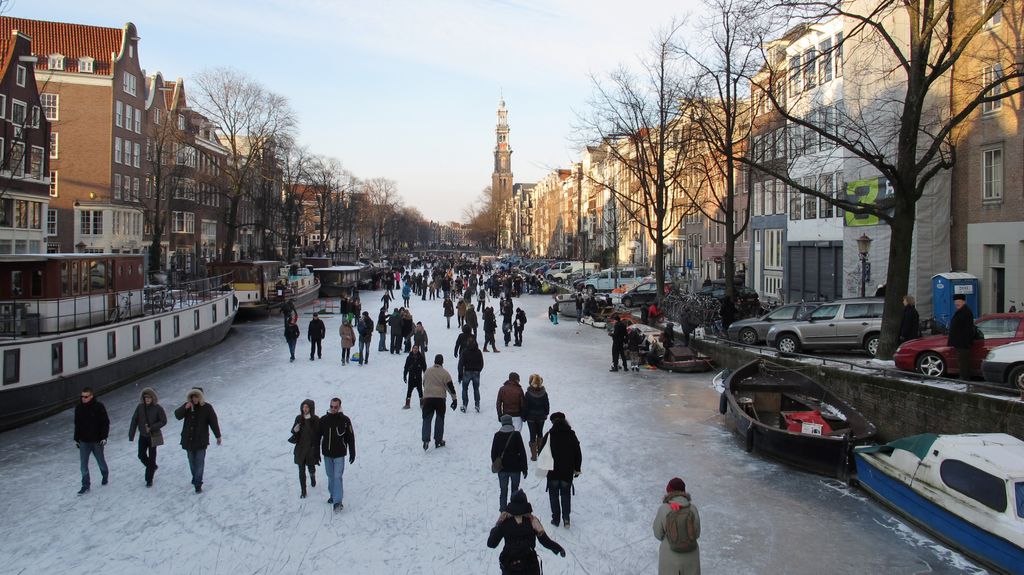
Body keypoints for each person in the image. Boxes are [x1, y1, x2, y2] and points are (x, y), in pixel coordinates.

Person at [487, 489, 566, 575]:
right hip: (530, 564)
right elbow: (545, 541)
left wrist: (498, 524)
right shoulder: (532, 520)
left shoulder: (505, 521)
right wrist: (558, 548)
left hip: (510, 565)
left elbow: (491, 543)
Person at [174, 388, 222, 493]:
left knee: (199, 463)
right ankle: (196, 478)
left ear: (201, 397)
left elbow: (213, 422)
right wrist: (185, 408)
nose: (194, 399)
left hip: (201, 441)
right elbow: (177, 415)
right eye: (192, 396)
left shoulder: (207, 408)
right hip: (188, 440)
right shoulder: (187, 406)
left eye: (196, 396)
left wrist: (218, 436)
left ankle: (198, 483)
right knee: (192, 462)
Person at [541, 412, 582, 528]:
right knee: (565, 495)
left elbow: (541, 452)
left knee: (553, 495)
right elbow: (577, 453)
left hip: (552, 472)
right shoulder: (571, 434)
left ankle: (556, 518)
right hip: (567, 472)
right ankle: (566, 519)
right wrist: (577, 468)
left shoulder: (549, 435)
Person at [653, 477, 702, 575]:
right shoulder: (692, 509)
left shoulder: (664, 509)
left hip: (669, 556)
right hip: (691, 555)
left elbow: (658, 534)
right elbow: (696, 534)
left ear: (669, 492)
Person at [317, 397, 355, 511]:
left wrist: (352, 451)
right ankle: (333, 495)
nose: (333, 409)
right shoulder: (323, 420)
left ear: (339, 407)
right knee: (330, 476)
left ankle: (338, 502)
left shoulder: (345, 420)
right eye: (331, 406)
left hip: (339, 454)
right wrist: (315, 453)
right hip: (327, 454)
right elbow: (317, 436)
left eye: (335, 407)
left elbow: (350, 437)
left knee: (337, 476)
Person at [128, 387, 166, 487]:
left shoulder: (158, 408)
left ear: (153, 398)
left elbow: (163, 421)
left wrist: (152, 427)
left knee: (152, 456)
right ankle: (152, 467)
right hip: (143, 436)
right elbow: (134, 420)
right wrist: (131, 435)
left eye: (149, 397)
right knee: (141, 455)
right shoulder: (140, 407)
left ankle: (149, 479)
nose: (147, 399)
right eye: (145, 397)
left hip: (153, 436)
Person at [74, 387, 110, 495]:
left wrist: (104, 437)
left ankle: (105, 474)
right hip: (84, 441)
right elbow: (77, 424)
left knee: (100, 461)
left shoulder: (99, 407)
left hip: (97, 441)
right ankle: (85, 485)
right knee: (83, 465)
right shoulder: (79, 408)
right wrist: (76, 439)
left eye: (86, 396)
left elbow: (105, 423)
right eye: (82, 396)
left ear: (91, 396)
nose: (83, 398)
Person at [492, 415, 528, 512]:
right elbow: (522, 452)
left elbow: (493, 453)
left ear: (502, 423)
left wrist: (497, 465)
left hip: (502, 469)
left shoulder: (497, 435)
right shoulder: (516, 435)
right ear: (511, 422)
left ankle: (503, 511)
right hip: (515, 469)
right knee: (515, 491)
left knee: (503, 491)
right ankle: (514, 510)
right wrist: (524, 468)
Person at [422, 354, 458, 450]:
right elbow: (450, 387)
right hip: (440, 400)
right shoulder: (445, 373)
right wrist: (454, 399)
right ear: (442, 362)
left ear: (434, 361)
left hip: (428, 398)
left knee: (427, 419)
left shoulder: (427, 371)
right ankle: (438, 441)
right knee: (439, 419)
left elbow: (424, 383)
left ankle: (425, 440)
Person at [290, 399, 321, 499]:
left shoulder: (316, 419)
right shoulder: (299, 418)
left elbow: (318, 434)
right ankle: (303, 491)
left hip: (311, 449)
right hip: (300, 448)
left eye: (307, 407)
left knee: (311, 468)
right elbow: (293, 430)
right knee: (301, 470)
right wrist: (295, 430)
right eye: (303, 407)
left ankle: (312, 476)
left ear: (311, 408)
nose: (305, 409)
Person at [947, 294, 976, 381]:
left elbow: (967, 328)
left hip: (963, 342)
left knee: (963, 361)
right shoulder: (961, 310)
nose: (956, 303)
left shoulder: (965, 311)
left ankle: (964, 377)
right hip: (960, 341)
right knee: (961, 360)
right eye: (955, 302)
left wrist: (966, 341)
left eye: (959, 301)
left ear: (964, 301)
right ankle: (963, 376)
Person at [522, 374, 550, 461]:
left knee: (532, 435)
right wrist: (546, 413)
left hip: (531, 418)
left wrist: (524, 416)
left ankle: (534, 456)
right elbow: (547, 405)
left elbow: (525, 406)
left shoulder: (528, 393)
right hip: (541, 417)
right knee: (540, 434)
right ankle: (540, 453)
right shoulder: (544, 393)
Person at [461, 339, 485, 413]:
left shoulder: (465, 352)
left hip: (467, 372)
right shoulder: (478, 352)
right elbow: (482, 363)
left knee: (465, 389)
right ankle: (477, 404)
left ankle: (465, 404)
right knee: (476, 389)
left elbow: (461, 363)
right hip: (476, 372)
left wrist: (460, 373)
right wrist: (478, 370)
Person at [404, 344, 428, 409]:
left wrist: (426, 376)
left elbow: (424, 368)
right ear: (412, 349)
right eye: (414, 348)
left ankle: (422, 404)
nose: (415, 350)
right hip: (411, 377)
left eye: (416, 348)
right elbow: (406, 367)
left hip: (418, 377)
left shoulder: (421, 357)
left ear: (418, 349)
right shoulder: (409, 358)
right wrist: (404, 376)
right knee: (409, 391)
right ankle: (407, 404)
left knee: (420, 391)